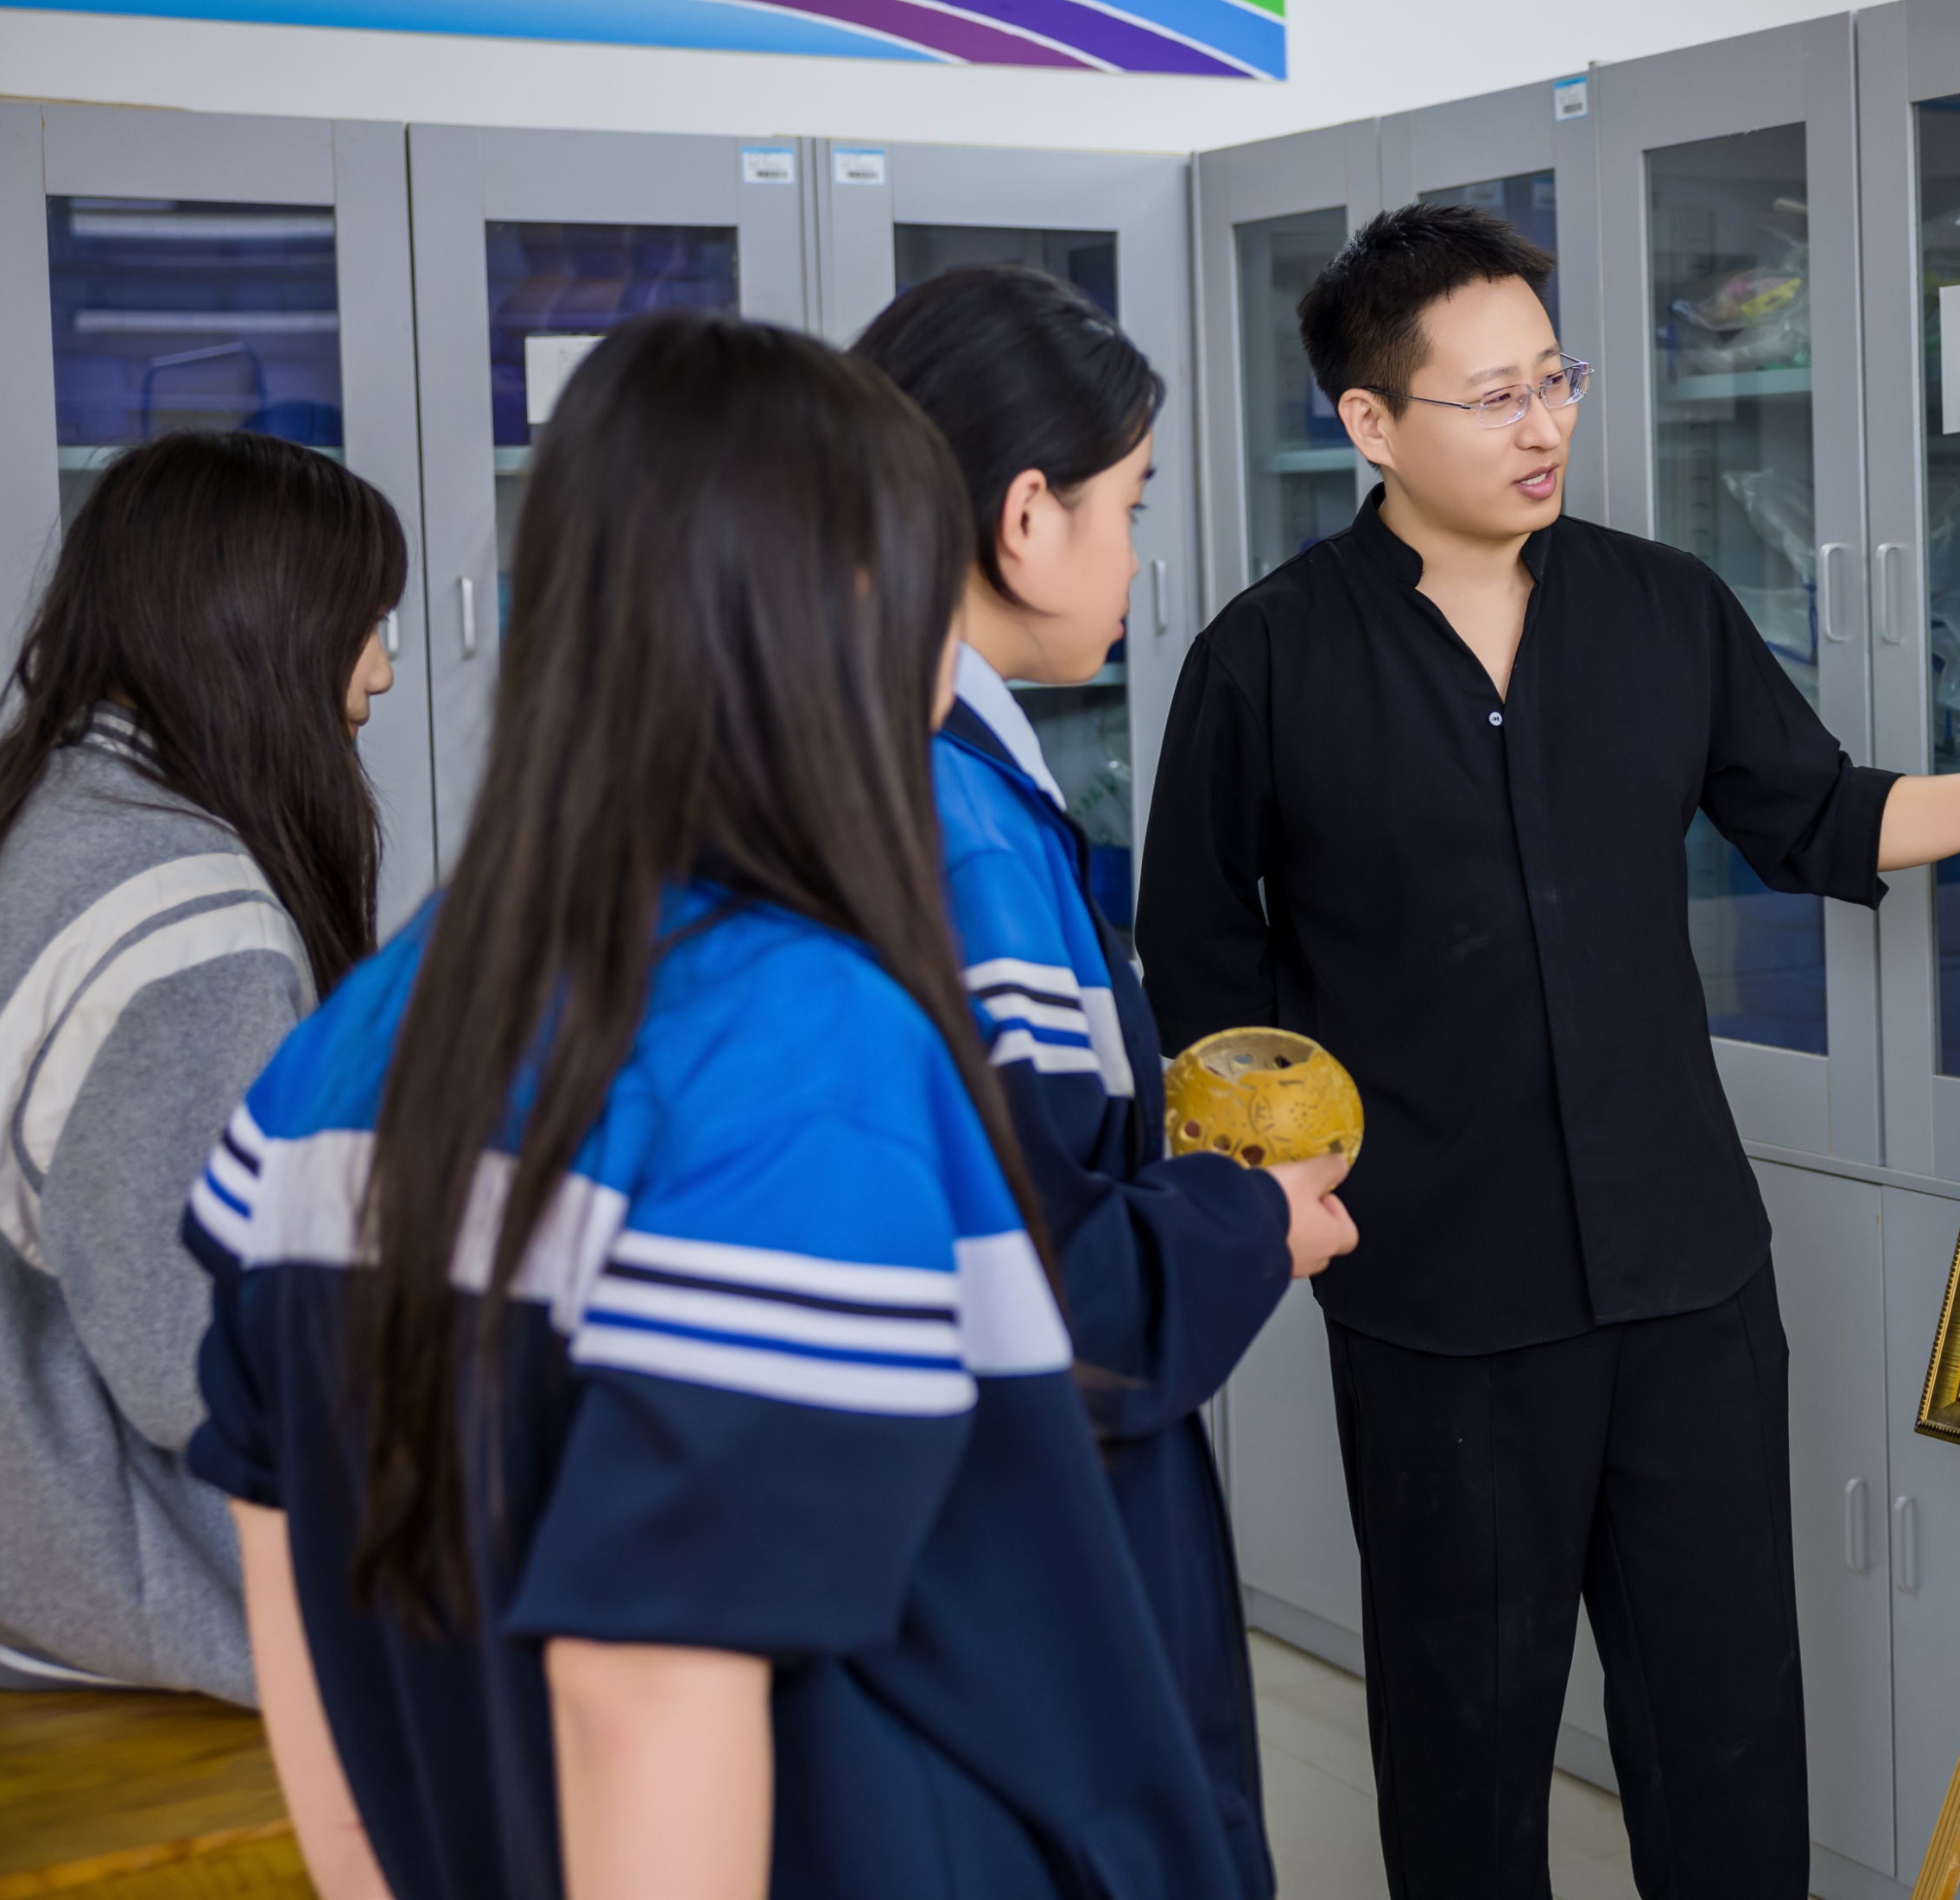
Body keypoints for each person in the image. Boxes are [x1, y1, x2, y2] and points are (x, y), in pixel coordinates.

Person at [1139, 205, 1960, 1896]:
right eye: (1493, 396)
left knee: (1724, 1724)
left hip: (1687, 1274)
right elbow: (1206, 968)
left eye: (1554, 379)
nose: (1544, 425)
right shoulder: (1267, 659)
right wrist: (1298, 1196)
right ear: (1371, 422)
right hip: (1440, 1297)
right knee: (1465, 1740)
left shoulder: (1661, 609)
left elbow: (1820, 815)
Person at [186, 314, 1252, 1900]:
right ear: (860, 610)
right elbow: (645, 1686)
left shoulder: (353, 1043)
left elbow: (289, 1567)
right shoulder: (809, 1048)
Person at [853, 263, 1354, 1897]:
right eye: (1128, 506)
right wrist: (1255, 1220)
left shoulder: (903, 774)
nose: (1139, 556)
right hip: (1023, 1559)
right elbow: (1056, 1291)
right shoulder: (964, 828)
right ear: (1024, 518)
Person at [0, 432, 401, 1700]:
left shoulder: (56, 810)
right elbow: (214, 1370)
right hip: (130, 1602)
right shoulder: (186, 919)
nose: (381, 672)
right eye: (362, 625)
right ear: (257, 629)